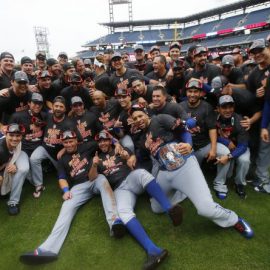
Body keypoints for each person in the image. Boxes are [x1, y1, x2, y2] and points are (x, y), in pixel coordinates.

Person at [130, 105, 254, 240]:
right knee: (157, 207)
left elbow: (183, 130)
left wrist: (188, 144)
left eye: (140, 116)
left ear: (146, 114)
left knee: (205, 209)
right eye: (135, 118)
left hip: (185, 165)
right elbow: (143, 158)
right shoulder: (142, 138)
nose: (138, 119)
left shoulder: (159, 119)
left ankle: (234, 219)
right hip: (165, 173)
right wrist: (132, 157)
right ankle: (183, 193)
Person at [20, 130, 125, 265]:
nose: (69, 144)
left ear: (76, 140)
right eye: (66, 142)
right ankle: (48, 249)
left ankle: (115, 222)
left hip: (95, 178)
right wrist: (65, 190)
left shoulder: (87, 146)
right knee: (66, 207)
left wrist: (116, 143)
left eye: (71, 141)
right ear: (62, 143)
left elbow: (104, 140)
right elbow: (62, 178)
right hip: (78, 187)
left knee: (103, 182)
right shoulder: (62, 159)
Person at [89, 130, 183, 270]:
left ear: (110, 141)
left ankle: (170, 209)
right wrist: (95, 164)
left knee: (142, 174)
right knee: (123, 212)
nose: (103, 143)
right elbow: (91, 178)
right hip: (120, 189)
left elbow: (131, 158)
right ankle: (153, 250)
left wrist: (127, 156)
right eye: (100, 141)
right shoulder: (97, 158)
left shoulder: (120, 149)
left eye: (105, 140)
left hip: (131, 178)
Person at [180, 79, 231, 200]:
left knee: (225, 153)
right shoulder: (179, 106)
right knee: (189, 177)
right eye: (190, 91)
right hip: (187, 148)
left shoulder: (207, 107)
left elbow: (212, 129)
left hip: (203, 145)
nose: (192, 94)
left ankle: (220, 184)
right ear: (186, 92)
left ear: (201, 93)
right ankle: (183, 188)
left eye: (195, 91)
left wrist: (213, 149)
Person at [30, 96, 77, 198]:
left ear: (65, 109)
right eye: (56, 106)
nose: (58, 108)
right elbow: (37, 119)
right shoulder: (47, 116)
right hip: (45, 148)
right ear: (52, 107)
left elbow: (76, 140)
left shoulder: (69, 123)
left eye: (61, 106)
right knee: (33, 159)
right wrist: (36, 124)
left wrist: (64, 149)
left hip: (59, 153)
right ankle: (39, 185)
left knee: (69, 177)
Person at [215, 95, 250, 199]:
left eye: (230, 107)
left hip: (239, 146)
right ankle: (220, 183)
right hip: (223, 145)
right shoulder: (213, 117)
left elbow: (243, 146)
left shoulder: (240, 120)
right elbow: (209, 135)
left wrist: (230, 156)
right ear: (218, 108)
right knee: (223, 153)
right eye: (224, 107)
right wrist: (226, 141)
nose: (228, 110)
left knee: (245, 160)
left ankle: (239, 183)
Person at [0, 123, 29, 215]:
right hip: (3, 163)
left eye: (18, 135)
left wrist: (14, 164)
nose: (15, 138)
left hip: (12, 158)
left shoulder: (18, 143)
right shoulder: (1, 150)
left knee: (23, 169)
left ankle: (13, 202)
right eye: (11, 135)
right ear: (5, 134)